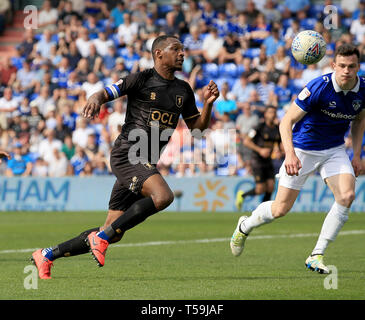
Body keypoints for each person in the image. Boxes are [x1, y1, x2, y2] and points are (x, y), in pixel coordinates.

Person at [31, 35, 219, 279]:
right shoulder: (141, 79)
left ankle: (46, 254)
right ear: (159, 53)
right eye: (176, 49)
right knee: (163, 196)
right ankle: (101, 239)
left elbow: (198, 131)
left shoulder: (183, 89)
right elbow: (107, 92)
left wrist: (208, 105)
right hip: (128, 154)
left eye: (183, 50)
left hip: (145, 162)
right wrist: (95, 98)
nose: (183, 53)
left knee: (114, 230)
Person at [230, 44, 365, 274]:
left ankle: (316, 254)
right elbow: (286, 121)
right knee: (281, 209)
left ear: (357, 67)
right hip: (303, 149)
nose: (346, 71)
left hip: (334, 149)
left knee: (347, 195)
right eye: (342, 66)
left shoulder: (363, 90)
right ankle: (245, 224)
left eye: (351, 66)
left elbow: (360, 119)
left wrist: (357, 154)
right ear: (333, 65)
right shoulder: (317, 87)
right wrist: (290, 154)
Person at [235, 106, 281, 211]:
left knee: (270, 187)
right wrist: (260, 150)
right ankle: (242, 195)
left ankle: (263, 211)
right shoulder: (258, 127)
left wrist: (278, 151)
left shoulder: (277, 129)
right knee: (260, 189)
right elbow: (246, 141)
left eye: (274, 112)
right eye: (270, 112)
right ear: (265, 114)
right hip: (257, 160)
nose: (272, 114)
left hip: (268, 160)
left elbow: (278, 144)